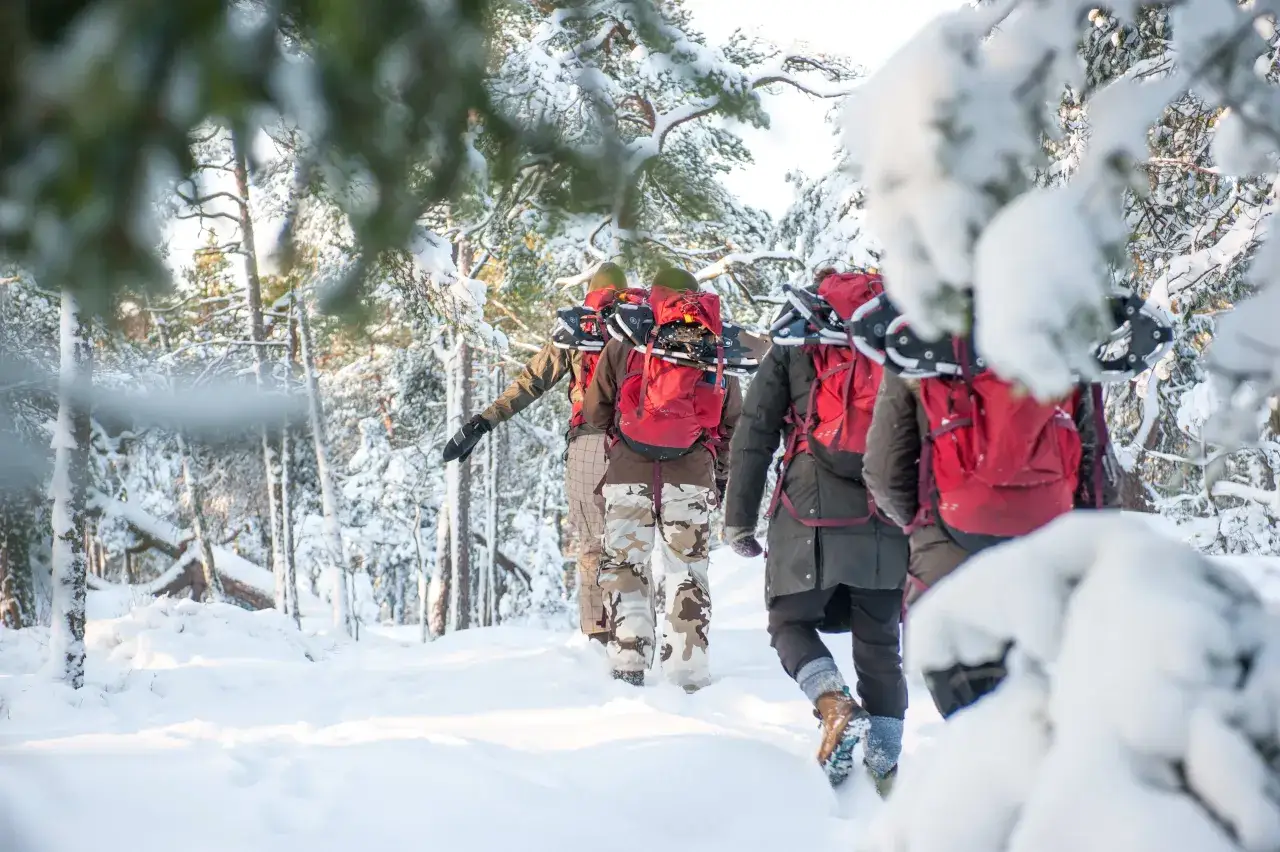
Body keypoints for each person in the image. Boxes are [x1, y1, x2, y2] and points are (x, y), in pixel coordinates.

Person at [723, 269, 908, 792]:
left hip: (809, 512)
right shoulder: (898, 337)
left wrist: (738, 518)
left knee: (789, 623)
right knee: (879, 640)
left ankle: (833, 705)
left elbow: (755, 431)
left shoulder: (797, 337)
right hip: (885, 509)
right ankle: (886, 766)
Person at [863, 366, 1119, 719]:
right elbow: (1098, 473)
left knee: (969, 723)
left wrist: (923, 525)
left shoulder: (918, 340)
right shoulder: (1059, 338)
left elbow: (884, 472)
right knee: (1049, 722)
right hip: (1046, 566)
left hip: (948, 570)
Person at [442, 263, 630, 645]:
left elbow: (532, 381)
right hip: (637, 447)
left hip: (589, 443)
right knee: (632, 545)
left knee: (593, 544)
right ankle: (636, 637)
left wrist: (482, 423)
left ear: (591, 292)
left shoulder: (581, 328)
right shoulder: (644, 327)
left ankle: (598, 638)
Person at [581, 267, 742, 692]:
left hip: (628, 476)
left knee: (626, 565)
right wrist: (717, 478)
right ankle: (688, 671)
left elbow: (595, 413)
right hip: (690, 478)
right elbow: (730, 424)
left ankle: (629, 661)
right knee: (687, 570)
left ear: (655, 294)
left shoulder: (626, 340)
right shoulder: (714, 346)